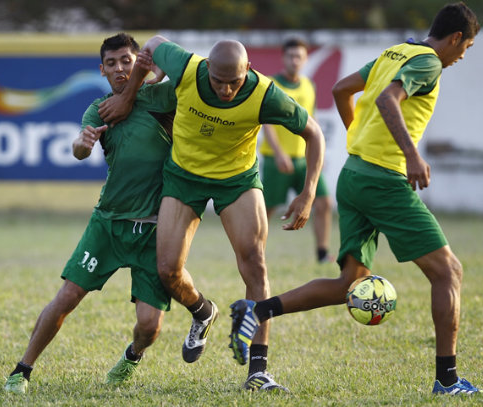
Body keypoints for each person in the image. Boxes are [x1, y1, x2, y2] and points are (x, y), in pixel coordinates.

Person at [229, 2, 483, 396]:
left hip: (353, 174)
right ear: (456, 38)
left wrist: (360, 139)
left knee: (348, 284)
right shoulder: (429, 63)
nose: (462, 56)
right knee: (448, 271)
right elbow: (389, 100)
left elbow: (341, 90)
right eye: (467, 47)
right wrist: (411, 155)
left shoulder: (395, 52)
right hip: (382, 181)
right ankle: (448, 380)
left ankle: (257, 309)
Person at [98, 35, 326, 391]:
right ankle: (203, 312)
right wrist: (128, 97)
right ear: (206, 68)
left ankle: (258, 370)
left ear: (248, 70)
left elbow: (314, 133)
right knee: (167, 271)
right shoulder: (187, 67)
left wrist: (309, 192)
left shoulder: (264, 93)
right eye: (218, 81)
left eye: (233, 82)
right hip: (183, 179)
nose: (225, 90)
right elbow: (154, 43)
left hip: (236, 181)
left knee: (255, 263)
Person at [4, 33, 178, 394]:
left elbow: (186, 77)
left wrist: (159, 71)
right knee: (66, 297)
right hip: (109, 223)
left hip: (154, 230)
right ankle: (21, 371)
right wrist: (80, 146)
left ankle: (131, 357)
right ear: (101, 70)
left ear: (139, 62)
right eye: (111, 63)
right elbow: (80, 147)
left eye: (126, 60)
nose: (119, 68)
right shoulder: (99, 109)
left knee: (150, 326)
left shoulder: (161, 98)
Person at [259, 37, 334, 263]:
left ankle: (322, 253)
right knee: (267, 210)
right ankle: (256, 252)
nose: (295, 60)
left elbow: (314, 122)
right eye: (291, 56)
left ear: (305, 59)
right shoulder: (271, 85)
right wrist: (279, 152)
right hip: (276, 159)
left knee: (323, 203)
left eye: (299, 56)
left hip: (304, 159)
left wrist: (319, 153)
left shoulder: (309, 85)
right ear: (283, 58)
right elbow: (267, 123)